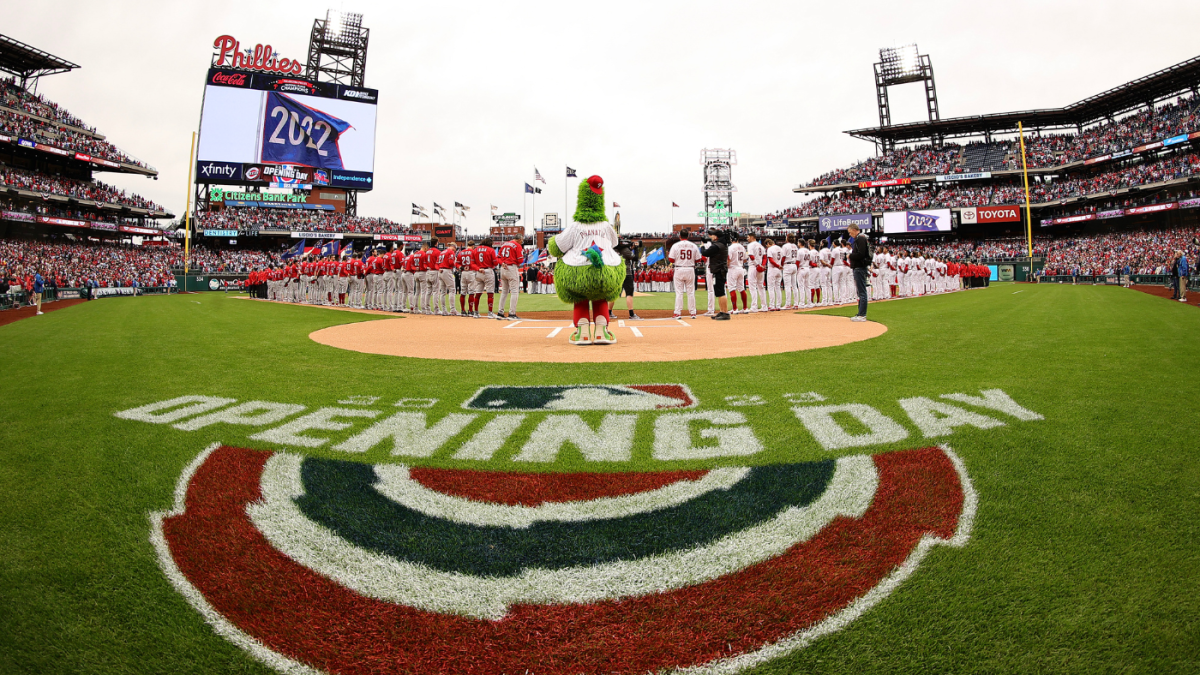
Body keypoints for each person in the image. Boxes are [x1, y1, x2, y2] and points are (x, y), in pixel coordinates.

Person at [698, 229, 731, 320]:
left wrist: (702, 246)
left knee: (721, 292)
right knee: (719, 292)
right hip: (720, 269)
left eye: (712, 235)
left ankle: (725, 312)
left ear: (716, 237)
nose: (711, 237)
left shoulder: (716, 246)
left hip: (719, 270)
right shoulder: (722, 244)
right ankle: (722, 311)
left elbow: (705, 253)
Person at [668, 229, 700, 319]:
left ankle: (677, 313)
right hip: (690, 269)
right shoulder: (693, 246)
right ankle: (693, 313)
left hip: (679, 268)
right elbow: (698, 260)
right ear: (688, 236)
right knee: (691, 292)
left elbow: (671, 259)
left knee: (679, 293)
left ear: (680, 236)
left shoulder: (675, 245)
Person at [847, 224, 870, 322]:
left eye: (850, 232)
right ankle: (860, 313)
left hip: (859, 267)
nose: (850, 234)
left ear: (854, 230)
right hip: (859, 267)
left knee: (862, 292)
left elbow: (861, 254)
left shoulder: (860, 238)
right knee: (860, 292)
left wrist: (850, 256)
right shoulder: (861, 238)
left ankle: (862, 315)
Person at [614, 238, 642, 320]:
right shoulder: (625, 250)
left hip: (617, 273)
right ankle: (631, 314)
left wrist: (631, 247)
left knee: (614, 294)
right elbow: (635, 258)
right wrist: (635, 249)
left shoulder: (613, 250)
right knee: (629, 294)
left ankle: (609, 312)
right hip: (626, 273)